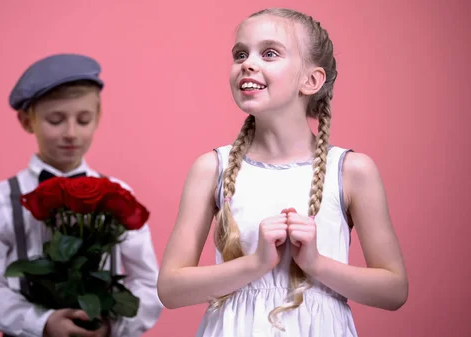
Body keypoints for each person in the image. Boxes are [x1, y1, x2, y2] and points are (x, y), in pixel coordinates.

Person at [157, 8, 408, 337]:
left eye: (270, 53)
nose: (248, 63)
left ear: (311, 80)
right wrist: (256, 263)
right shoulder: (210, 168)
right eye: (240, 54)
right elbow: (170, 289)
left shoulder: (351, 171)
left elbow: (394, 290)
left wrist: (316, 263)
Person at [0, 53, 163, 337]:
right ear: (26, 121)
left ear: (98, 118)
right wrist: (41, 322)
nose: (71, 133)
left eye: (83, 120)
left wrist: (114, 326)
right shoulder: (3, 198)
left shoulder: (119, 195)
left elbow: (147, 280)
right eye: (55, 120)